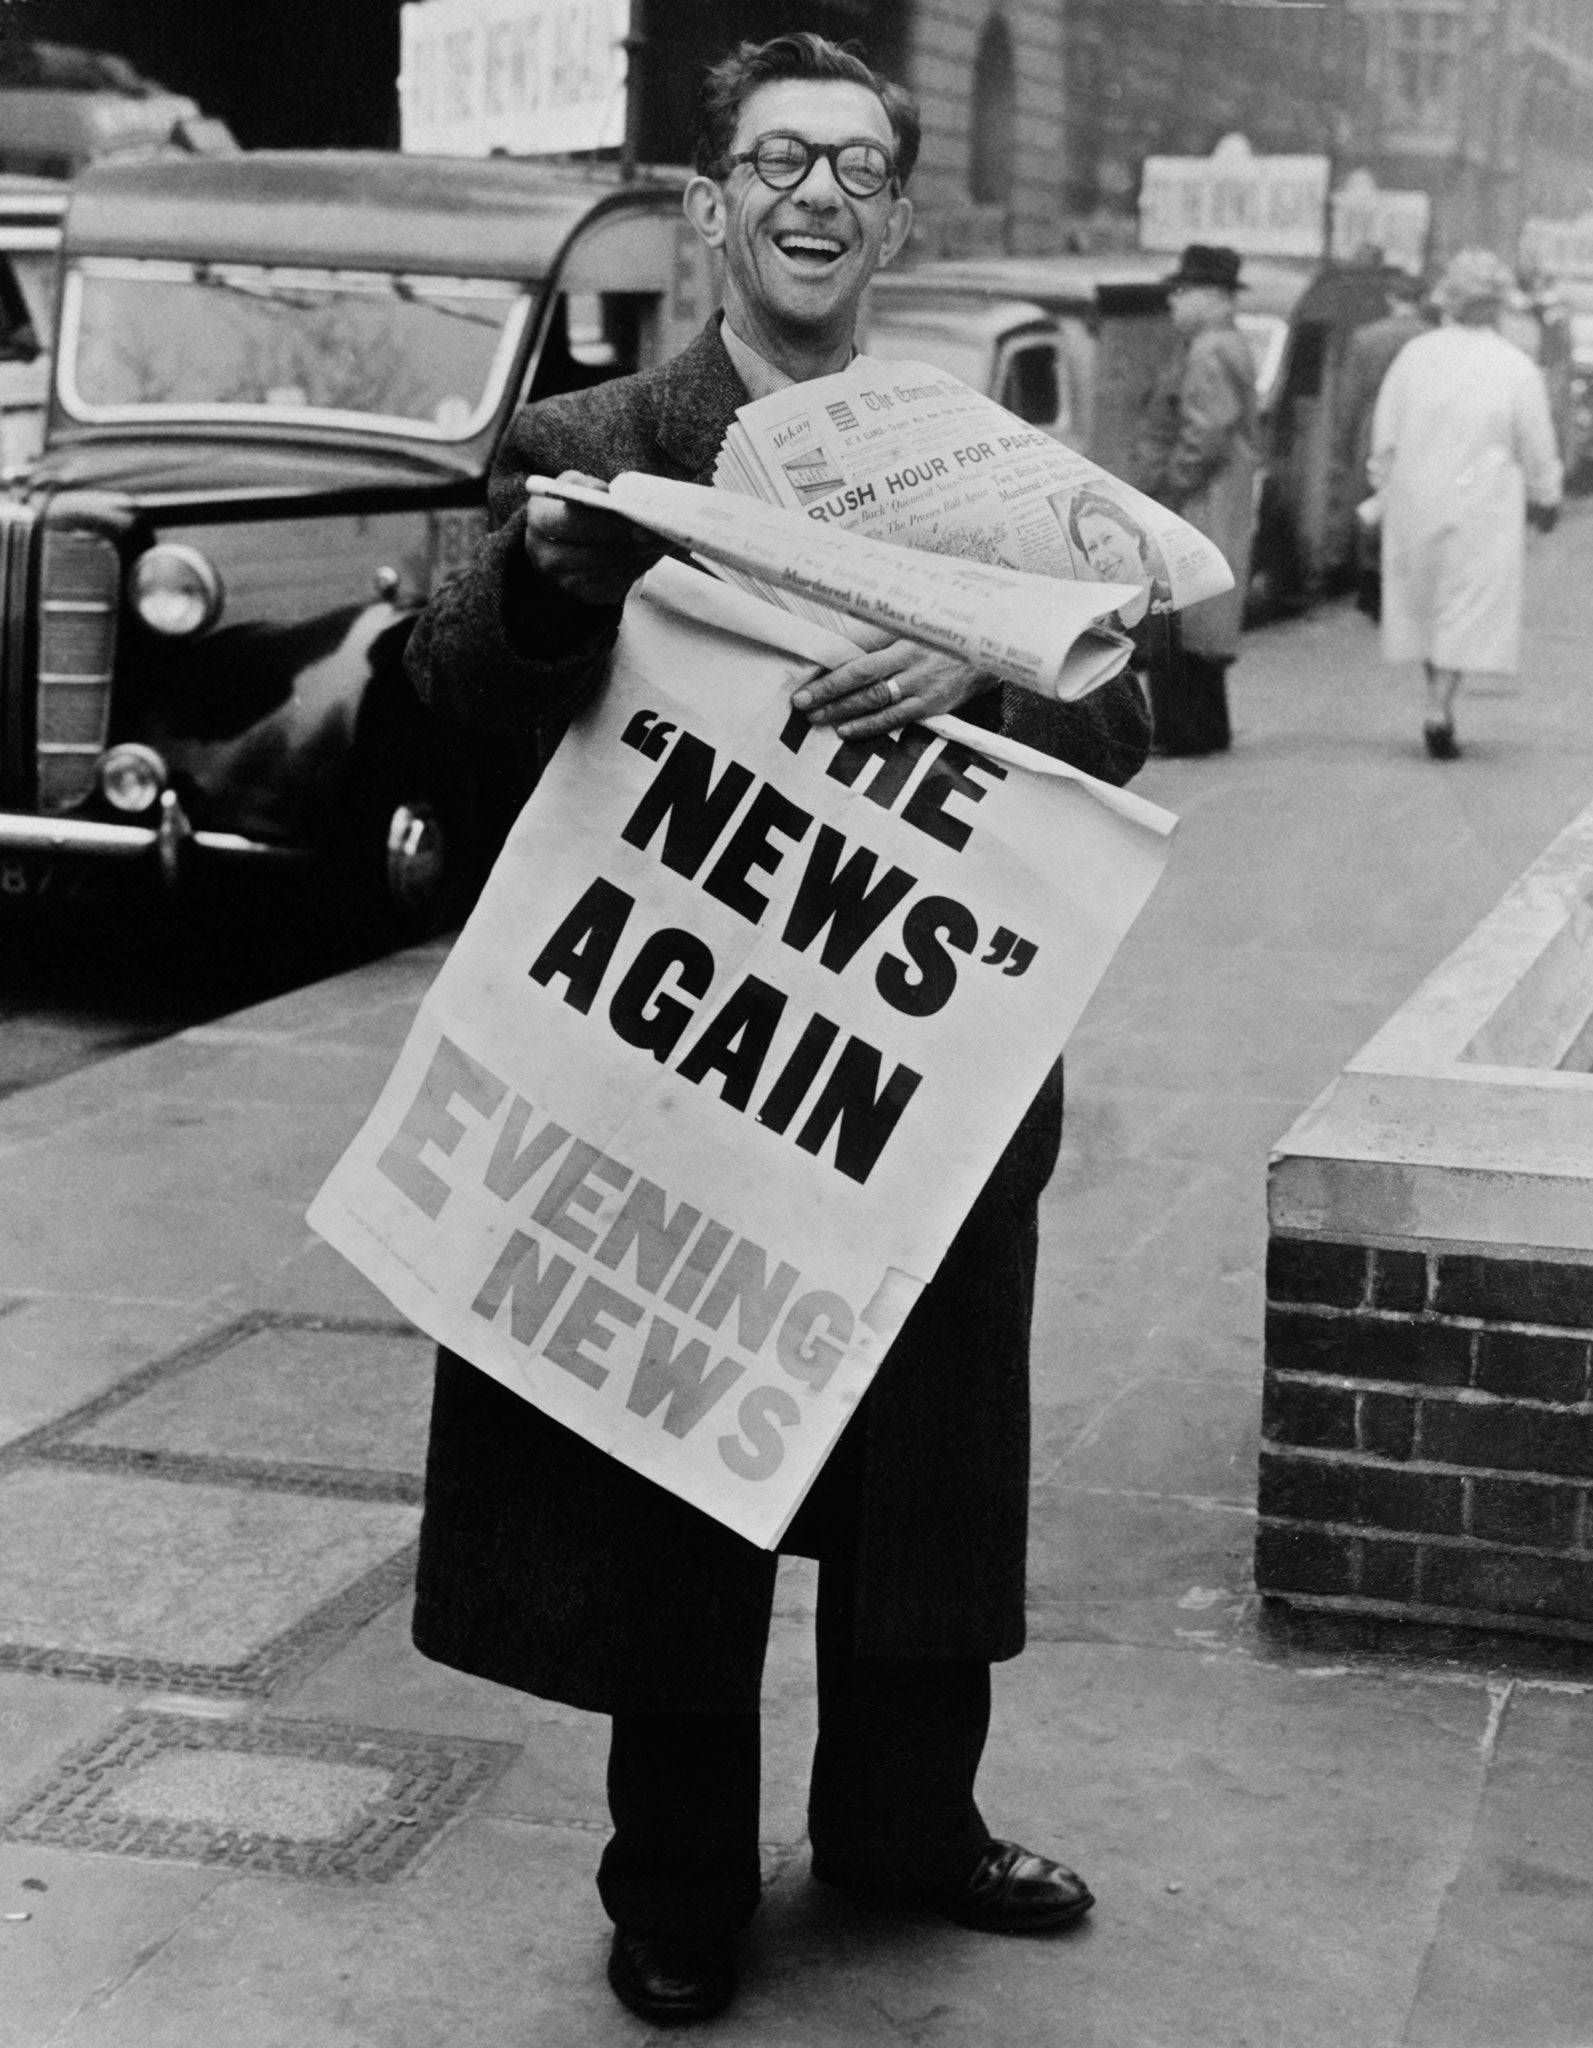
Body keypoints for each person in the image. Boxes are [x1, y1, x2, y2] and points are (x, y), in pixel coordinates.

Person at [400, 31, 1151, 2028]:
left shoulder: (982, 468)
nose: (816, 194)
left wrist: (988, 670)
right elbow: (448, 685)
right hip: (685, 1062)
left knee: (927, 1460)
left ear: (895, 214)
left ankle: (908, 1824)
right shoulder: (594, 436)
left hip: (917, 1062)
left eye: (856, 165)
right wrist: (563, 587)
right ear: (710, 201)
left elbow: (1121, 712)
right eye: (776, 160)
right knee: (680, 1452)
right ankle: (677, 1884)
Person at [1370, 248, 1562, 761]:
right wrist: (1546, 496)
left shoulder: (1416, 357)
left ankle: (1434, 694)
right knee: (1466, 604)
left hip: (1417, 498)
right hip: (1484, 505)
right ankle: (1440, 704)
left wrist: (1383, 486)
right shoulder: (1515, 367)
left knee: (1425, 602)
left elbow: (1384, 435)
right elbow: (1537, 445)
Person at [1131, 242, 1259, 756]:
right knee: (1197, 616)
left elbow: (1207, 430)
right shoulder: (1223, 342)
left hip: (1202, 498)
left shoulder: (1207, 350)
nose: (1172, 302)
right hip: (1219, 495)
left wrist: (1171, 485)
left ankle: (1185, 731)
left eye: (1181, 291)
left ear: (1211, 296)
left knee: (1182, 613)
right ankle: (1204, 728)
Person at [1327, 268, 1429, 608]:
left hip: (1374, 423)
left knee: (1372, 499)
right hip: (1419, 425)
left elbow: (1349, 398)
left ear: (1391, 298)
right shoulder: (1431, 338)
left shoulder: (1367, 337)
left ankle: (1370, 582)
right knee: (1412, 502)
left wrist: (1342, 440)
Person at [1060, 486, 1172, 627]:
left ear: (1134, 536)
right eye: (1092, 548)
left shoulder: (1175, 596)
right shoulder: (1099, 628)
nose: (1102, 557)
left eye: (1107, 538)